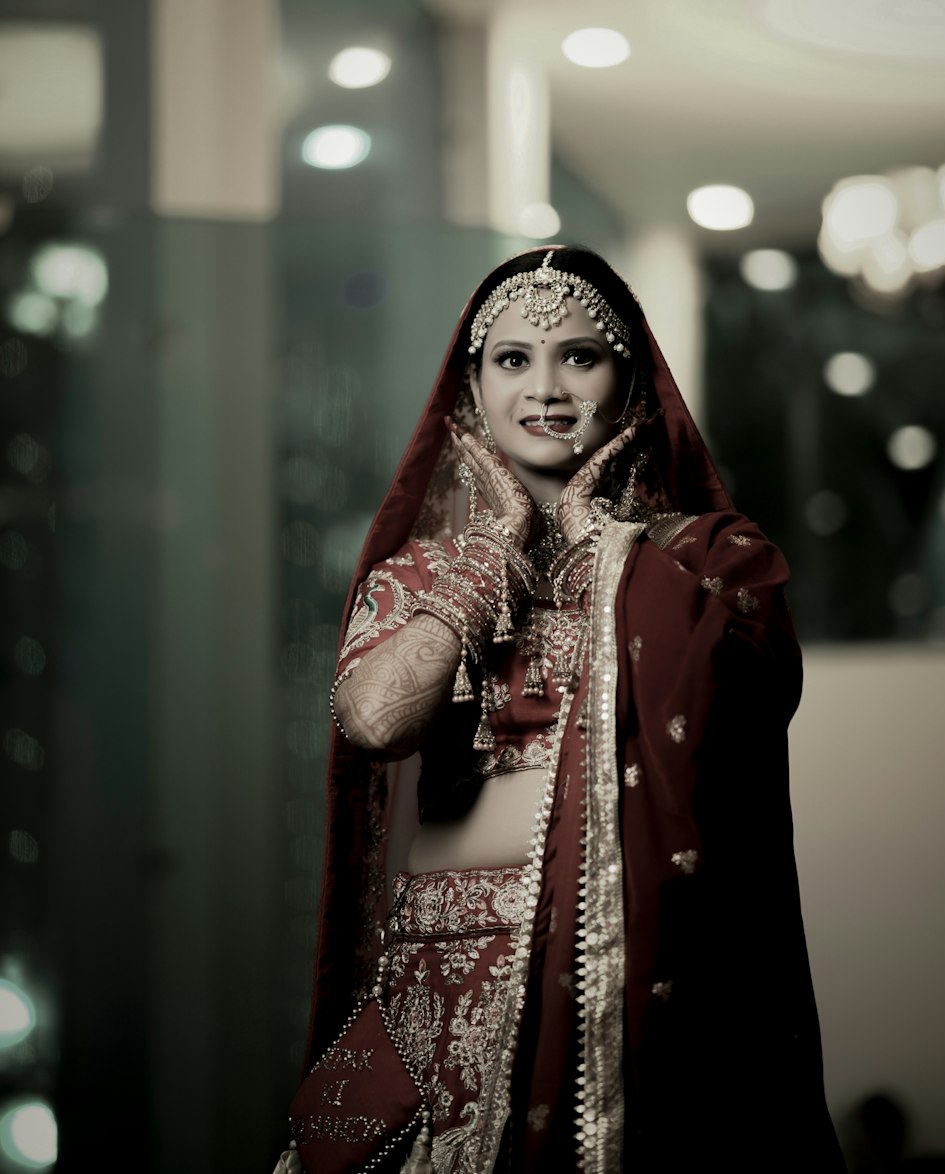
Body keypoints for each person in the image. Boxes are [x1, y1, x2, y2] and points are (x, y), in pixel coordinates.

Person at [278, 246, 845, 1173]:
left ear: (630, 381)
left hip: (635, 964)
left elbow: (757, 695)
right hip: (446, 973)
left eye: (580, 355)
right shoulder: (423, 574)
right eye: (512, 359)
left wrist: (602, 545)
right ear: (471, 385)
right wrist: (485, 564)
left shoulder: (705, 561)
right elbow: (373, 725)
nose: (545, 386)